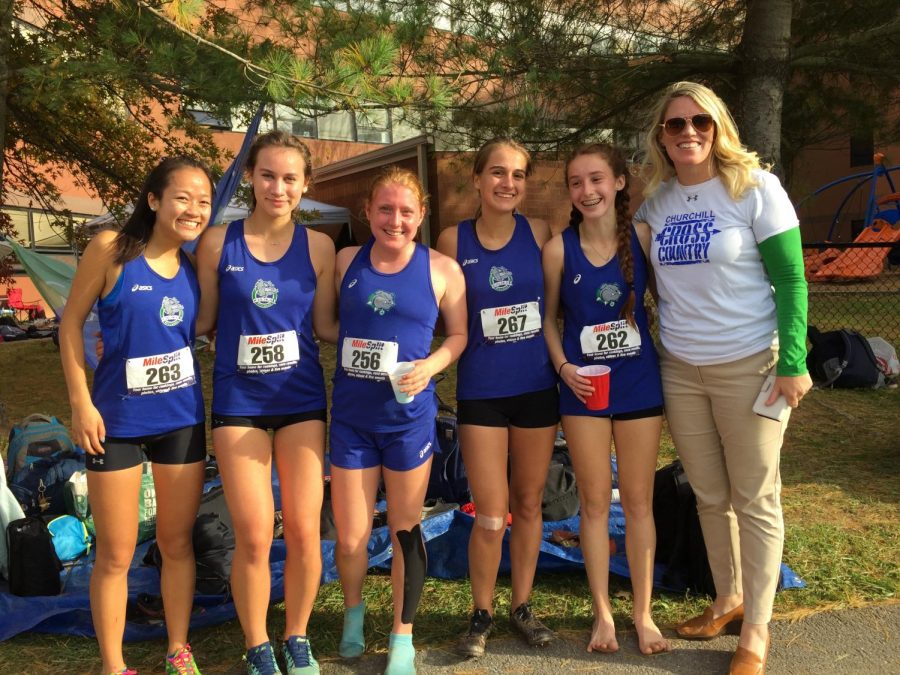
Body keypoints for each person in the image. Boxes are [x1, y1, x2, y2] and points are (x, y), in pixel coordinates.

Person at [634, 81, 811, 675]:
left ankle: (756, 629)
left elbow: (791, 281)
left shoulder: (756, 190)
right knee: (710, 494)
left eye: (700, 122)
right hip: (681, 368)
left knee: (755, 496)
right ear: (661, 135)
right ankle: (728, 599)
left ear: (718, 128)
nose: (688, 133)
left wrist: (793, 360)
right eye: (675, 124)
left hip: (751, 366)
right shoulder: (654, 204)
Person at [60, 156, 214, 675]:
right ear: (153, 200)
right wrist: (81, 403)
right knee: (116, 553)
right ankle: (112, 664)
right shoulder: (110, 249)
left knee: (175, 543)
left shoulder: (194, 269)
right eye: (183, 197)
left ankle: (177, 648)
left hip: (181, 420)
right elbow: (70, 325)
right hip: (116, 423)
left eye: (204, 201)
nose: (194, 209)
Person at [195, 131, 337, 675]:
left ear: (305, 185)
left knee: (303, 529)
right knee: (254, 533)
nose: (279, 187)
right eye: (269, 175)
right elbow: (202, 321)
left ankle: (296, 636)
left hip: (301, 401)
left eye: (291, 178)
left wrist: (398, 338)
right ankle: (257, 644)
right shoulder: (217, 243)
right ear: (251, 177)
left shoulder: (319, 248)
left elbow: (325, 326)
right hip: (239, 403)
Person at [330, 166, 467, 675]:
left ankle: (402, 635)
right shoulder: (346, 260)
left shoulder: (443, 270)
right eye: (385, 209)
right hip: (351, 420)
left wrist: (431, 365)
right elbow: (324, 323)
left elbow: (458, 336)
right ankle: (353, 611)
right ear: (367, 211)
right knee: (350, 536)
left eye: (406, 211)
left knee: (406, 530)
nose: (395, 220)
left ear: (422, 215)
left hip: (409, 422)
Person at [542, 143, 670, 656]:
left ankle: (642, 614)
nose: (587, 191)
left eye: (597, 179)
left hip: (639, 384)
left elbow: (671, 298)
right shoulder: (558, 249)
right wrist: (564, 368)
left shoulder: (641, 236)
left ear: (619, 183)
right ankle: (603, 616)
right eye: (576, 182)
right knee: (595, 504)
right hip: (584, 389)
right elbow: (549, 320)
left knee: (638, 503)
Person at [435, 138, 558, 657]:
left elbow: (557, 314)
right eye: (498, 173)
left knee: (529, 504)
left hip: (536, 390)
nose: (509, 183)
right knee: (490, 511)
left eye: (518, 175)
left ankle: (522, 606)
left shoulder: (540, 233)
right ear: (478, 180)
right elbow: (434, 314)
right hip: (481, 394)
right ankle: (481, 613)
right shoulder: (451, 240)